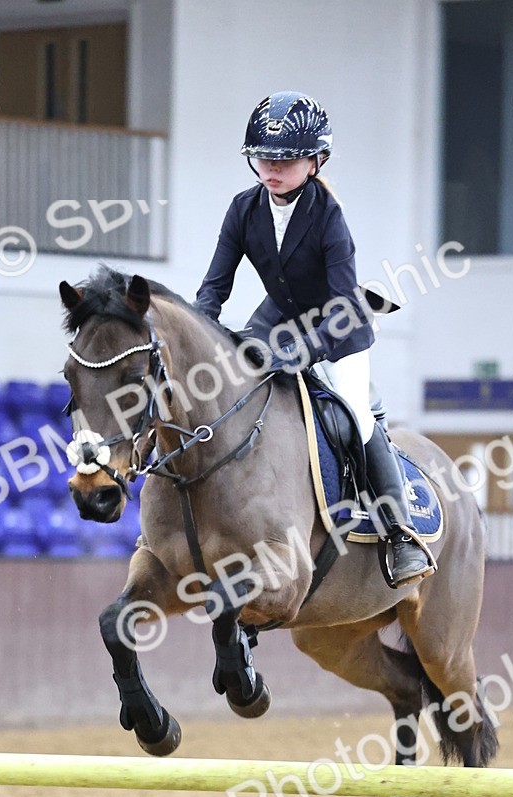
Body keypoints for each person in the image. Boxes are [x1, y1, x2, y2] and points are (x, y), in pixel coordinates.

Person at [194, 91, 435, 589]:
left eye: (285, 159)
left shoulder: (328, 216)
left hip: (338, 327)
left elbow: (345, 307)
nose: (272, 168)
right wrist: (196, 335)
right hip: (276, 317)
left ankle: (399, 533)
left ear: (315, 160)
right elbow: (213, 289)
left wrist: (295, 353)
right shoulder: (243, 209)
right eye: (264, 157)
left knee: (356, 414)